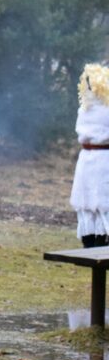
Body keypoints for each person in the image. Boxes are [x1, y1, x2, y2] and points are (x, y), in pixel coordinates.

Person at [71, 64, 109, 249]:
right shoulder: (92, 108)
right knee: (98, 202)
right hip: (100, 159)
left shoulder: (84, 108)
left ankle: (93, 242)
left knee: (93, 202)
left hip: (89, 159)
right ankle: (97, 243)